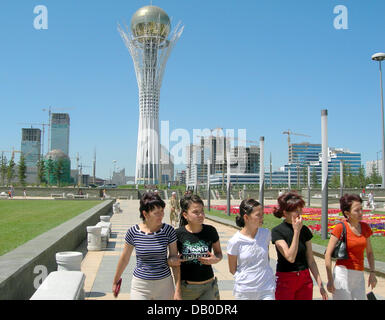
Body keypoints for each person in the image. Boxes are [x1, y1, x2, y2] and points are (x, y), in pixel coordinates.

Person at [112, 192, 180, 300]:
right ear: (145, 214)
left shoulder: (169, 231)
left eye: (162, 211)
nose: (161, 215)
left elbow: (175, 262)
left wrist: (178, 290)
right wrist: (115, 280)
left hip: (164, 285)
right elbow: (124, 258)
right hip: (140, 286)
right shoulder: (133, 232)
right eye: (156, 213)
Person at [271, 192, 328, 300]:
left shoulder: (305, 230)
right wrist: (296, 231)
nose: (299, 213)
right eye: (295, 210)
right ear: (285, 212)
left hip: (304, 278)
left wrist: (320, 284)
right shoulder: (278, 231)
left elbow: (310, 260)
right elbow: (290, 257)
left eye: (300, 209)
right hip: (286, 279)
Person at [169, 194, 222, 300]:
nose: (201, 215)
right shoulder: (177, 234)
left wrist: (215, 259)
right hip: (187, 289)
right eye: (195, 212)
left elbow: (219, 254)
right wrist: (177, 290)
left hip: (209, 287)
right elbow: (172, 261)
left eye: (202, 211)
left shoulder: (211, 231)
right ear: (185, 215)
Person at [325, 194, 377, 300]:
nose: (360, 213)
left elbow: (370, 253)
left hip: (359, 275)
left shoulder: (365, 228)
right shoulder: (340, 227)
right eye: (357, 210)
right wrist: (330, 279)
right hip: (342, 275)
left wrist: (372, 273)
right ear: (347, 213)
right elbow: (327, 254)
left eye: (361, 209)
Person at [227, 199, 275, 300]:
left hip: (266, 288)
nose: (262, 218)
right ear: (246, 217)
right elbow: (232, 269)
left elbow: (266, 258)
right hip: (244, 291)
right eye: (258, 215)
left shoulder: (266, 234)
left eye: (262, 214)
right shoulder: (235, 241)